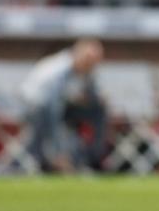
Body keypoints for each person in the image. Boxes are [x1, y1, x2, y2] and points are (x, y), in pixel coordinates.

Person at [22, 39, 107, 172]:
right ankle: (53, 159)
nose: (91, 65)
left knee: (98, 109)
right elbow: (52, 103)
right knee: (52, 110)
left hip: (65, 108)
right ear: (78, 54)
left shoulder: (86, 72)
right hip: (36, 107)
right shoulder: (59, 68)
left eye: (95, 61)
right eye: (89, 61)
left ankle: (93, 158)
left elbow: (90, 96)